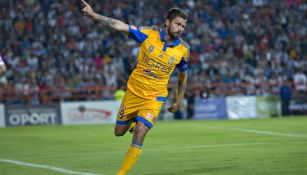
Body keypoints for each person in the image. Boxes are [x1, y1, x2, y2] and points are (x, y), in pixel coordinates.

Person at [81, 1, 189, 174]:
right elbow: (119, 26)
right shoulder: (149, 33)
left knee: (140, 132)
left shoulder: (183, 50)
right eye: (177, 24)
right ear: (167, 22)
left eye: (183, 26)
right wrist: (94, 15)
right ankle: (133, 120)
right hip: (133, 93)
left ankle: (121, 173)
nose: (180, 29)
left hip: (155, 97)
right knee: (118, 132)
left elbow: (183, 77)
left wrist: (179, 99)